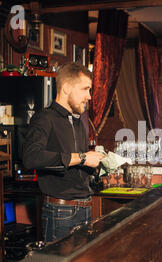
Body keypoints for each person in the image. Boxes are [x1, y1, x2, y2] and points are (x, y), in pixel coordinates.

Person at [23, 62, 105, 243]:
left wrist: (99, 164)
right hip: (60, 211)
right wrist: (83, 158)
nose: (89, 96)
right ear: (67, 88)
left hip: (85, 207)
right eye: (85, 89)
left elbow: (79, 166)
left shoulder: (78, 122)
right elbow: (31, 158)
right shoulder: (44, 118)